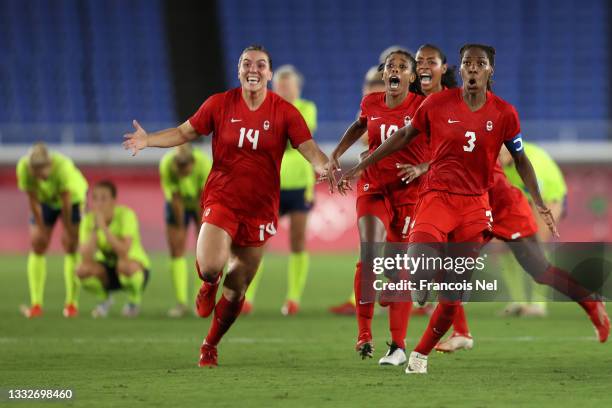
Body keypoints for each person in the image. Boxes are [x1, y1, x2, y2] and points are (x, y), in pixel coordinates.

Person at [338, 44, 559, 374]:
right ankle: (408, 331)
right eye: (419, 61)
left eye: (429, 62)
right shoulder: (428, 103)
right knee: (413, 264)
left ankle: (431, 338)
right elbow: (396, 133)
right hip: (430, 197)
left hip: (470, 198)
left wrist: (538, 201)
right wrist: (356, 164)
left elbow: (461, 153)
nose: (423, 67)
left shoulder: (483, 109)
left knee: (459, 273)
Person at [122, 45, 330, 367]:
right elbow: (183, 132)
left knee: (237, 290)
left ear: (269, 74)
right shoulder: (219, 104)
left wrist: (326, 167)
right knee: (211, 266)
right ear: (238, 71)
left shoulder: (286, 112)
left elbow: (310, 149)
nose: (253, 70)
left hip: (260, 209)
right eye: (247, 63)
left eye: (261, 65)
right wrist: (148, 140)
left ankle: (210, 343)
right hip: (222, 199)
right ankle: (207, 284)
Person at [327, 50, 426, 365]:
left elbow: (444, 145)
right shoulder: (371, 102)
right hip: (373, 186)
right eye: (390, 67)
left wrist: (422, 167)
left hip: (409, 193)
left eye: (402, 67)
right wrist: (337, 153)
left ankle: (397, 346)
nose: (395, 71)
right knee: (370, 252)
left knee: (398, 272)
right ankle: (364, 333)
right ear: (384, 75)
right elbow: (359, 126)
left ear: (411, 77)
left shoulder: (423, 106)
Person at [242, 64, 318, 316]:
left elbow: (292, 140)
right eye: (280, 86)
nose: (284, 90)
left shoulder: (307, 108)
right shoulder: (264, 107)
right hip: (268, 184)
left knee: (297, 241)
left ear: (297, 88)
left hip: (298, 185)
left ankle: (293, 298)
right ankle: (247, 297)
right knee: (257, 243)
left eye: (288, 86)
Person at [328, 65, 387, 317]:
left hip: (405, 184)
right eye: (368, 86)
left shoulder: (403, 109)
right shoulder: (369, 110)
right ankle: (360, 299)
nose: (370, 90)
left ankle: (420, 300)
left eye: (374, 85)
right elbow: (365, 139)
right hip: (375, 183)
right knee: (372, 246)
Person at [16, 142, 88, 318]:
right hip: (46, 201)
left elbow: (66, 202)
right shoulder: (24, 169)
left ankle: (71, 304)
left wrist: (68, 229)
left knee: (70, 245)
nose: (39, 177)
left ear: (49, 166)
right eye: (36, 173)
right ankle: (36, 304)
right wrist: (41, 228)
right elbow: (32, 199)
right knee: (38, 244)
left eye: (42, 173)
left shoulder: (63, 168)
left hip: (73, 200)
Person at [497, 142, 567, 316]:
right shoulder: (494, 162)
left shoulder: (531, 163)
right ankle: (518, 302)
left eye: (500, 154)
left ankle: (538, 304)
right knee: (506, 246)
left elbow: (540, 203)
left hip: (547, 197)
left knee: (537, 245)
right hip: (520, 198)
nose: (497, 158)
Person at [76, 180, 150, 318]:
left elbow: (124, 251)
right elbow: (85, 257)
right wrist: (95, 228)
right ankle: (105, 299)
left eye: (104, 198)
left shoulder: (126, 215)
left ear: (113, 201)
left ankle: (134, 301)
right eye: (95, 198)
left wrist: (104, 228)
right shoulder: (88, 220)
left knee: (124, 265)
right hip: (109, 269)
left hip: (133, 268)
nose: (98, 203)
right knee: (81, 270)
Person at [159, 144, 212, 317]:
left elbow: (202, 198)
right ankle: (181, 302)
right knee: (176, 249)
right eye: (178, 165)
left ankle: (201, 301)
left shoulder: (204, 164)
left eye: (184, 165)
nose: (181, 169)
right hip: (179, 202)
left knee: (204, 252)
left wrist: (200, 229)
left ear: (193, 162)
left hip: (202, 201)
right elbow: (175, 198)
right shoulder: (166, 165)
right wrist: (181, 226)